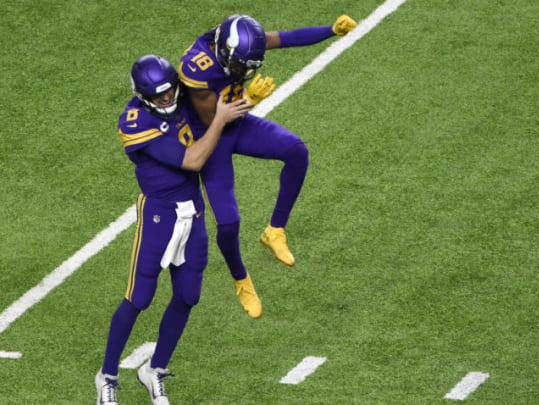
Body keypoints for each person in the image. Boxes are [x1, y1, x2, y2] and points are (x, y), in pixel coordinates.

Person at [95, 54, 252, 405]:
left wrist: (242, 99)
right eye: (158, 96)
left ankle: (155, 370)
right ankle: (106, 376)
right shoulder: (134, 122)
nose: (167, 99)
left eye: (169, 93)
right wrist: (221, 119)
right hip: (159, 213)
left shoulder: (182, 99)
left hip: (191, 210)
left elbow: (214, 108)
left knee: (188, 296)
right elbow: (194, 159)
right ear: (142, 95)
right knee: (139, 298)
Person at [178, 14, 357, 318]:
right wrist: (248, 99)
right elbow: (214, 121)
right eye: (238, 67)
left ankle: (274, 231)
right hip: (210, 137)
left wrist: (330, 30)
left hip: (237, 122)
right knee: (228, 223)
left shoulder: (243, 45)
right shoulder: (196, 67)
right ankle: (241, 280)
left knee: (296, 151)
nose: (242, 72)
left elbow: (284, 38)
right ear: (223, 52)